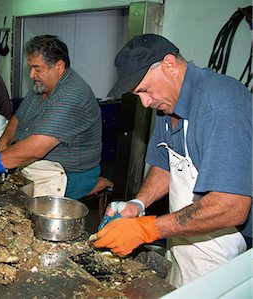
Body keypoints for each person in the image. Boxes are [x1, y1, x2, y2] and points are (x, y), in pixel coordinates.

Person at [92, 34, 252, 288]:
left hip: (229, 251)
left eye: (144, 90)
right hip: (185, 241)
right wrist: (138, 204)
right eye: (138, 94)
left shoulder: (220, 107)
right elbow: (168, 164)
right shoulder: (169, 106)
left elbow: (232, 205)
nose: (145, 103)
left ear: (169, 65)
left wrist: (147, 229)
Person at [0, 35, 102, 199]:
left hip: (69, 175)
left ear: (59, 66)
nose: (31, 74)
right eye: (30, 68)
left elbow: (36, 149)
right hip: (38, 165)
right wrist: (3, 143)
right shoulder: (42, 86)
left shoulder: (70, 96)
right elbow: (18, 118)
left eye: (37, 69)